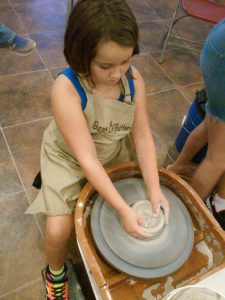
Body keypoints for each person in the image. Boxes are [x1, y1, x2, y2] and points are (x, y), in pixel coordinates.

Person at [25, 0, 169, 299]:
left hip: (113, 147)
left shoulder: (133, 80)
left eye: (125, 61)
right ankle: (55, 273)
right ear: (81, 54)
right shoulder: (66, 89)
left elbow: (142, 138)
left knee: (140, 200)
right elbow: (87, 159)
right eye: (105, 66)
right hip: (70, 157)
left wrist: (156, 190)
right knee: (58, 230)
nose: (117, 74)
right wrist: (121, 208)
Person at [168, 19, 225, 228]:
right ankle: (183, 219)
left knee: (211, 123)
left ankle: (178, 166)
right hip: (222, 60)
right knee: (218, 159)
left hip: (218, 48)